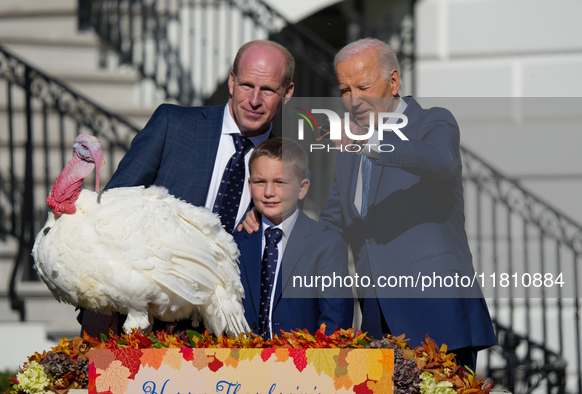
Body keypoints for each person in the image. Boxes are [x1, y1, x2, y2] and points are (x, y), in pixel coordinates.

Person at [241, 38, 495, 370]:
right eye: (345, 90)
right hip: (377, 322)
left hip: (436, 314)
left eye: (363, 86)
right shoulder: (350, 153)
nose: (354, 100)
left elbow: (440, 160)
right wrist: (271, 216)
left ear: (393, 82)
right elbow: (331, 225)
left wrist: (370, 141)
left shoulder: (432, 122)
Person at [79, 40, 295, 337]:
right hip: (139, 324)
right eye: (246, 85)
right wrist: (95, 306)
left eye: (268, 90)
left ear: (287, 93)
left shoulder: (289, 167)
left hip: (225, 336)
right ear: (231, 81)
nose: (254, 100)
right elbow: (108, 213)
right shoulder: (173, 125)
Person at [233, 138, 353, 338]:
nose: (269, 192)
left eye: (280, 182)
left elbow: (336, 320)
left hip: (305, 364)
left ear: (302, 188)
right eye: (260, 182)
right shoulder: (235, 242)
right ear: (249, 185)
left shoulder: (326, 243)